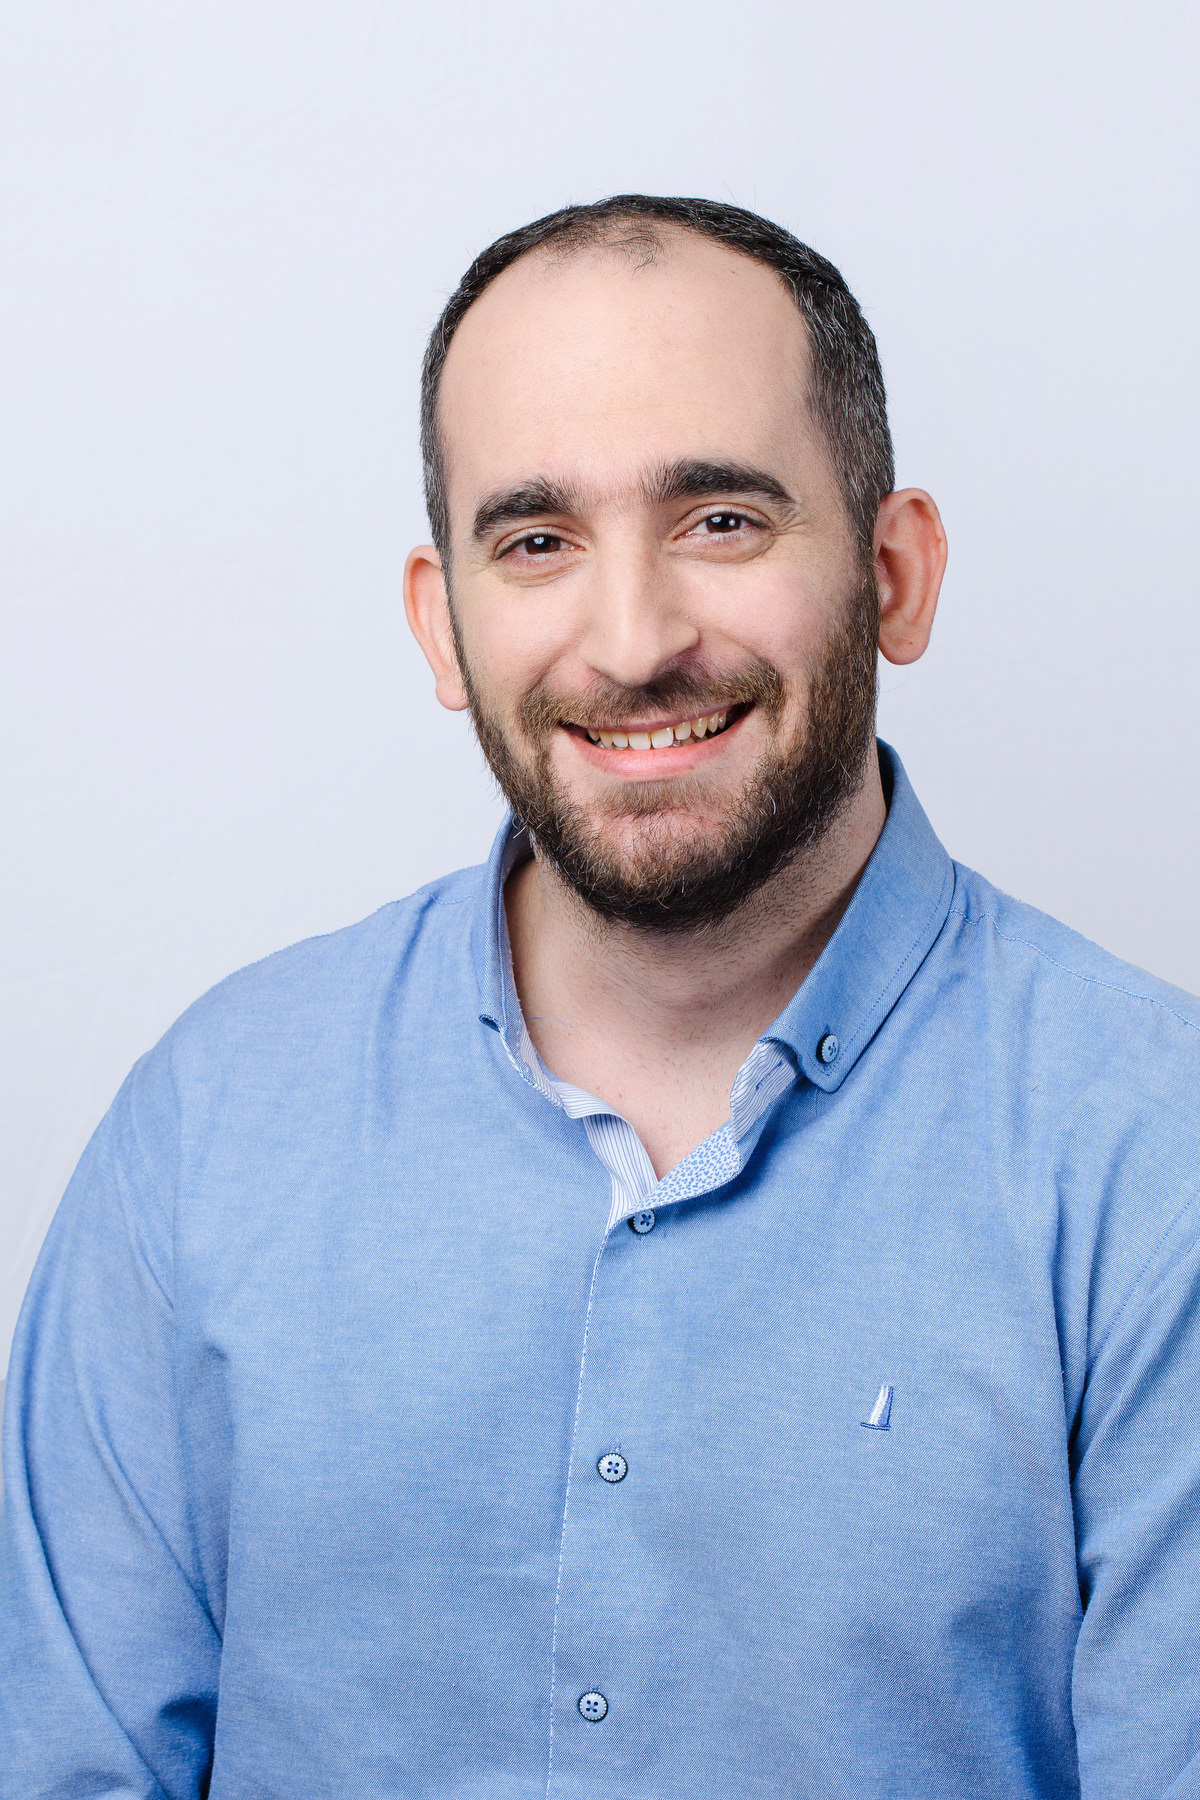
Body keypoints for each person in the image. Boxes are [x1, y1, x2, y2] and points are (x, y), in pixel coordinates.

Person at [3, 194, 1198, 1800]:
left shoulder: (1156, 1164)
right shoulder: (207, 1134)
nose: (632, 643)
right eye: (537, 542)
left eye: (722, 520)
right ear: (444, 623)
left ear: (896, 574)